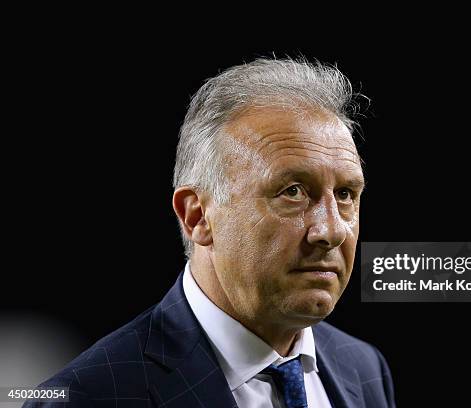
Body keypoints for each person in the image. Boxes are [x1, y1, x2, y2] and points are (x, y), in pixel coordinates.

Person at [26, 58, 395, 407]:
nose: (330, 231)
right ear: (197, 216)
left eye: (346, 194)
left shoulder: (364, 368)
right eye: (292, 192)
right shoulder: (88, 397)